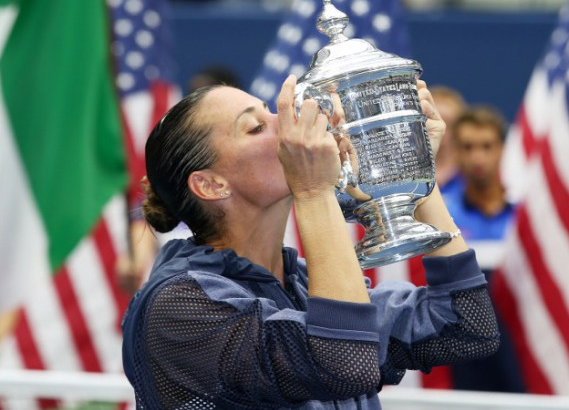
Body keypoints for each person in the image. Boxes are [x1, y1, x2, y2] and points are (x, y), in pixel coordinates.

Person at [121, 75, 500, 409]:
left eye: (271, 110)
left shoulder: (303, 281)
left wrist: (414, 173)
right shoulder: (178, 305)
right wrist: (315, 191)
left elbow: (466, 326)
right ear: (211, 185)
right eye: (256, 127)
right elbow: (343, 362)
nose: (288, 124)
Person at [442, 106, 526, 393]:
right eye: (468, 147)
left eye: (487, 146)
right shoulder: (441, 213)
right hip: (463, 357)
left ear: (503, 149)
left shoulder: (529, 212)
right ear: (455, 151)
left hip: (524, 348)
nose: (478, 157)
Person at [431, 86, 466, 199]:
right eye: (432, 122)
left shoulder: (472, 177)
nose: (440, 131)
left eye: (448, 124)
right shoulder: (407, 180)